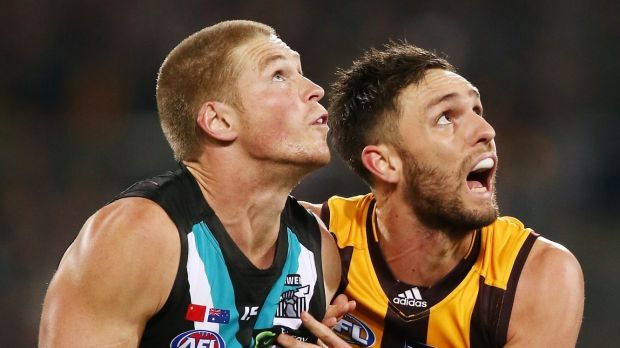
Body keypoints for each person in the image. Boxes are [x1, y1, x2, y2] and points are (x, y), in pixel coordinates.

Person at [39, 20, 351, 347]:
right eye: (278, 75)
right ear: (219, 120)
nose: (315, 89)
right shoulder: (137, 239)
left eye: (300, 72)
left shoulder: (318, 253)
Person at [301, 42, 585, 347]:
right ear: (384, 163)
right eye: (446, 118)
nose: (486, 130)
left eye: (477, 109)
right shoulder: (308, 240)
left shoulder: (536, 276)